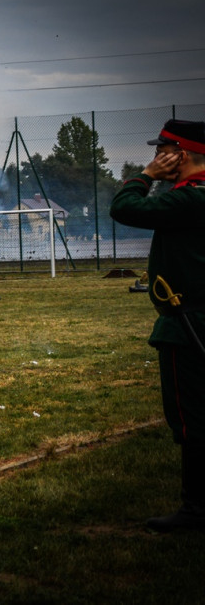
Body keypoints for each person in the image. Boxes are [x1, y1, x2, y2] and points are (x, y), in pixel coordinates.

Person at [110, 119, 205, 533]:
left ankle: (197, 511)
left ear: (178, 155)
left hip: (190, 325)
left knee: (194, 419)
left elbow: (125, 208)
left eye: (160, 151)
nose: (154, 158)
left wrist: (145, 177)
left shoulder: (191, 199)